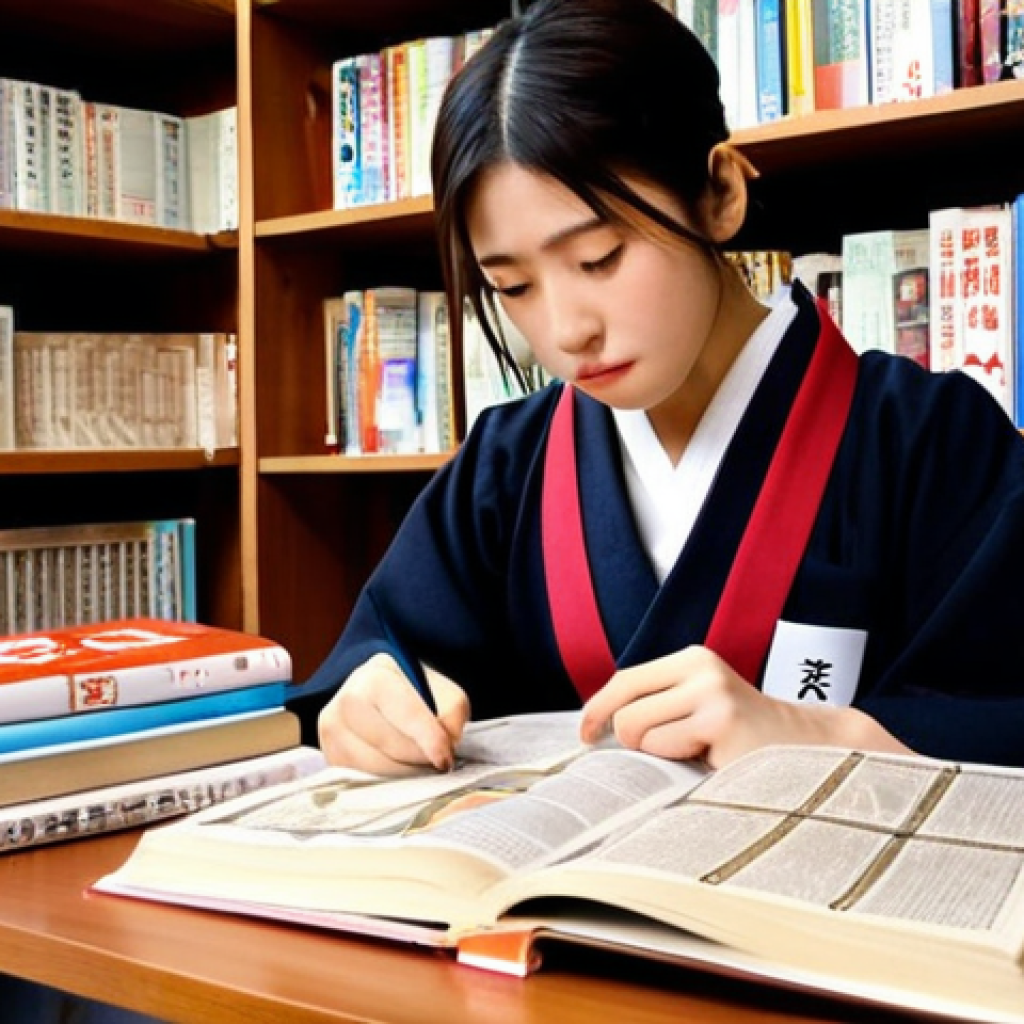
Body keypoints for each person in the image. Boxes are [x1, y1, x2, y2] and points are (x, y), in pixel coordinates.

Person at [293, 0, 1024, 775]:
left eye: (600, 257)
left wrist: (825, 734)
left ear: (719, 194)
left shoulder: (931, 439)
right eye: (512, 287)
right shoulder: (505, 467)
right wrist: (367, 701)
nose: (566, 330)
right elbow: (379, 657)